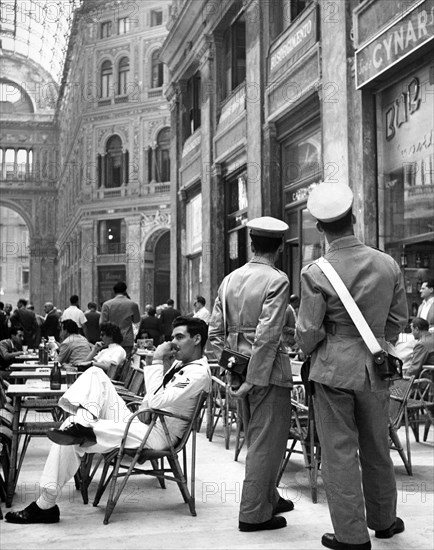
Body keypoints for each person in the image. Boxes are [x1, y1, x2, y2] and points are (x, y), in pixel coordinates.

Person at [4, 316, 211, 524]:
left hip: (158, 435)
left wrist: (156, 361)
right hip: (145, 422)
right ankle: (84, 421)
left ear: (196, 339)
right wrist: (147, 404)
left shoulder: (198, 373)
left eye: (180, 336)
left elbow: (158, 399)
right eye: (173, 336)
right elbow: (156, 396)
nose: (174, 342)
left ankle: (45, 504)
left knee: (68, 428)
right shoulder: (181, 363)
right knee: (95, 374)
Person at [295, 181, 408, 550]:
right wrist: (375, 338)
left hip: (331, 369)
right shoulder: (387, 263)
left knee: (339, 452)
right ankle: (385, 521)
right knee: (378, 445)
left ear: (320, 228)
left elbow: (308, 332)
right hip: (376, 366)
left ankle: (352, 536)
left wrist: (312, 349)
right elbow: (397, 321)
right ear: (354, 218)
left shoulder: (316, 271)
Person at [209, 216, 293, 532]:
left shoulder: (229, 279)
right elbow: (269, 333)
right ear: (281, 247)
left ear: (251, 244)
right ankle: (254, 513)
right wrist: (253, 378)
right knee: (266, 443)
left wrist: (233, 372)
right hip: (267, 374)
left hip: (240, 370)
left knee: (256, 438)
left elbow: (214, 333)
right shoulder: (277, 280)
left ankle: (269, 495)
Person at [100, 281, 140, 356]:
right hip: (127, 338)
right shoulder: (133, 304)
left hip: (111, 339)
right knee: (125, 362)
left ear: (114, 291)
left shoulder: (107, 305)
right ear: (125, 290)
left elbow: (102, 323)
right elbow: (136, 320)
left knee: (111, 361)